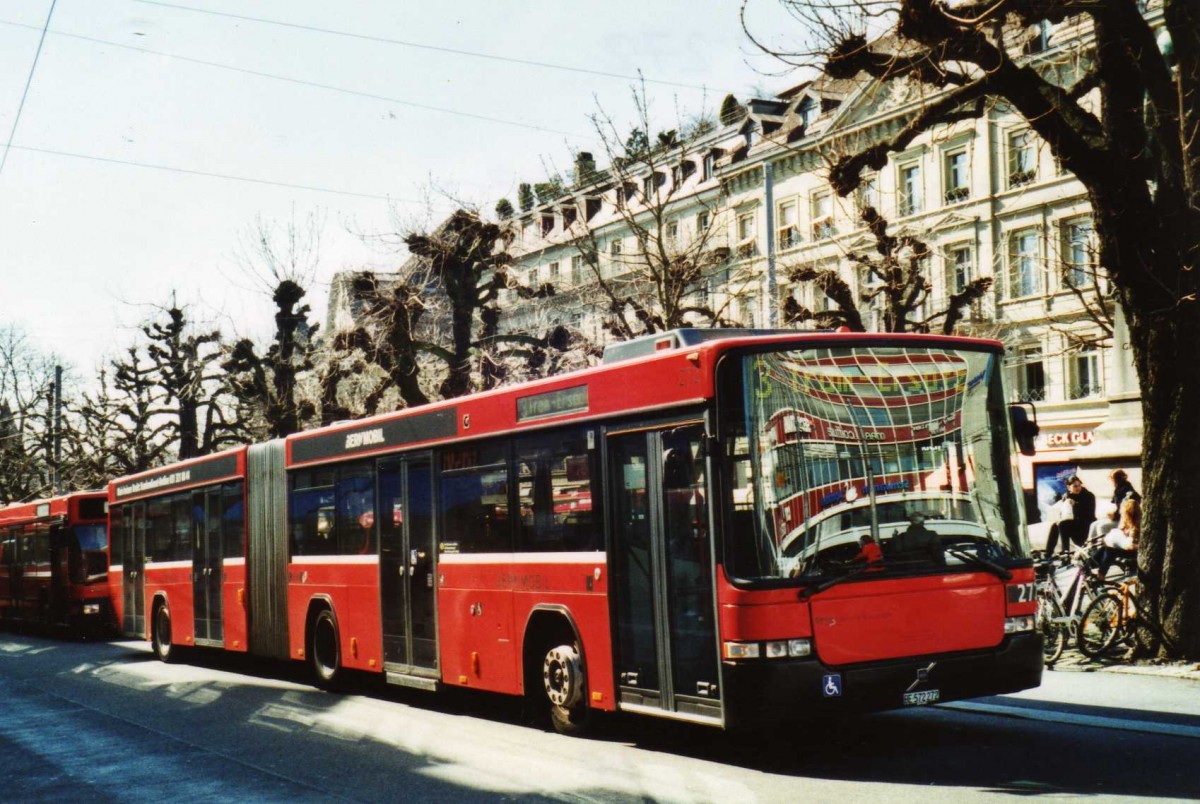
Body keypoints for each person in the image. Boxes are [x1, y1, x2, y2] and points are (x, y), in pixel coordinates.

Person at [1048, 476, 1095, 555]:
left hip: (1085, 524)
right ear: (1068, 487)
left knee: (1063, 524)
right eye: (1075, 486)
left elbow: (1089, 512)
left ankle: (1065, 551)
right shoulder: (1066, 496)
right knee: (1055, 525)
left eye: (1079, 485)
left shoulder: (1088, 495)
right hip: (1074, 523)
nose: (1078, 488)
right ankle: (1048, 552)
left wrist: (1075, 505)